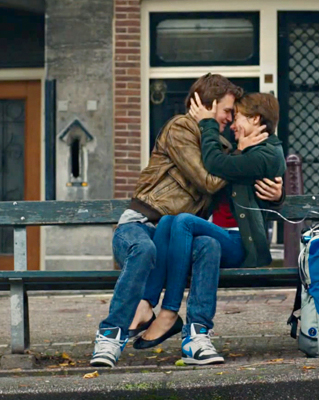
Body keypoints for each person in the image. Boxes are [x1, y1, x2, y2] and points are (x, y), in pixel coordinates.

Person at [90, 74, 283, 368]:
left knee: (208, 246)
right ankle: (111, 334)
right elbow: (209, 180)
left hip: (176, 235)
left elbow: (245, 180)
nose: (230, 119)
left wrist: (277, 194)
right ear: (208, 105)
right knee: (145, 249)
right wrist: (238, 153)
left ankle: (196, 337)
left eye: (235, 114)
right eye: (227, 111)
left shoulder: (221, 146)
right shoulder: (181, 128)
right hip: (142, 225)